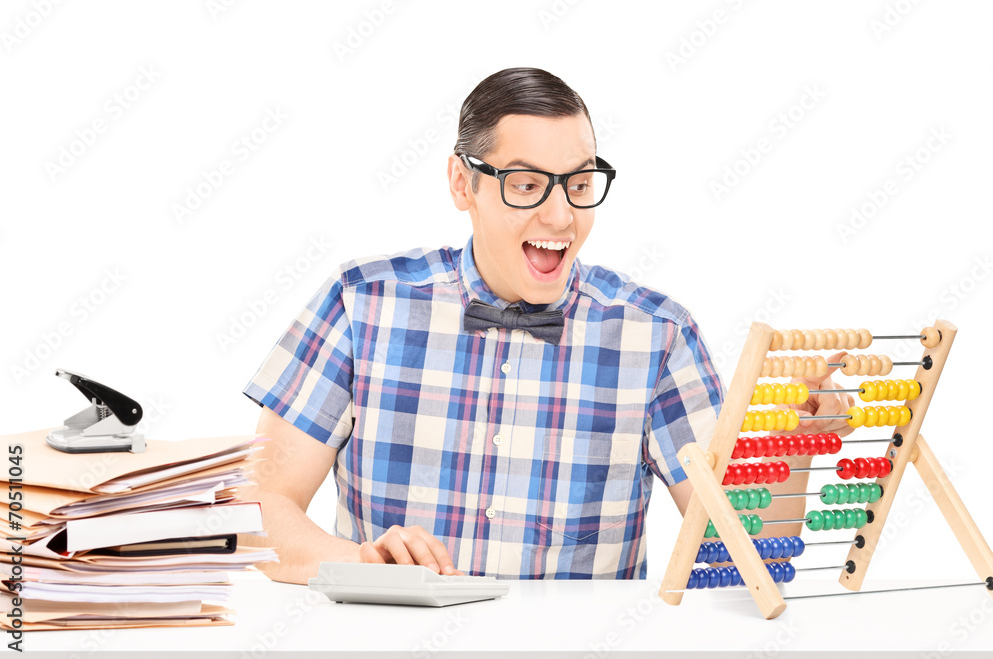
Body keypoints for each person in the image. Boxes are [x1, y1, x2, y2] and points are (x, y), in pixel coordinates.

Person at [239, 67, 851, 584]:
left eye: (580, 184)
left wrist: (794, 447)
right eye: (526, 184)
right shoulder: (362, 302)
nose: (560, 215)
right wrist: (359, 566)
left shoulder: (658, 334)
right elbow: (258, 505)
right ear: (463, 183)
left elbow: (735, 549)